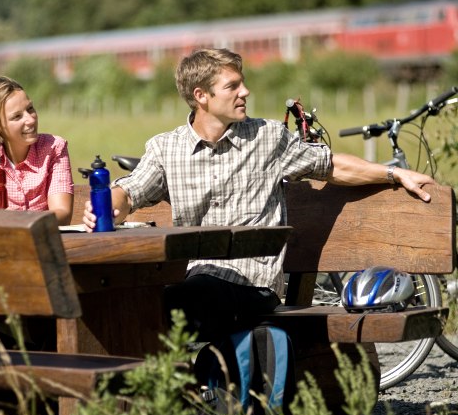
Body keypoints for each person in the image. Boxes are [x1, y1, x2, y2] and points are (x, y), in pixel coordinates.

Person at [82, 48, 434, 340]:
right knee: (127, 301)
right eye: (232, 86)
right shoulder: (165, 148)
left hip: (255, 287)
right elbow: (128, 191)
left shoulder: (267, 137)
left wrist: (393, 172)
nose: (245, 92)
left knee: (178, 302)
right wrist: (107, 207)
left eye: (243, 83)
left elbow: (330, 165)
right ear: (201, 96)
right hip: (198, 281)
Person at [0, 76, 74, 225]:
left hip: (39, 242)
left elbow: (62, 212)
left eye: (30, 109)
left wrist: (21, 224)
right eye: (17, 116)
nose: (30, 120)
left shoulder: (54, 147)